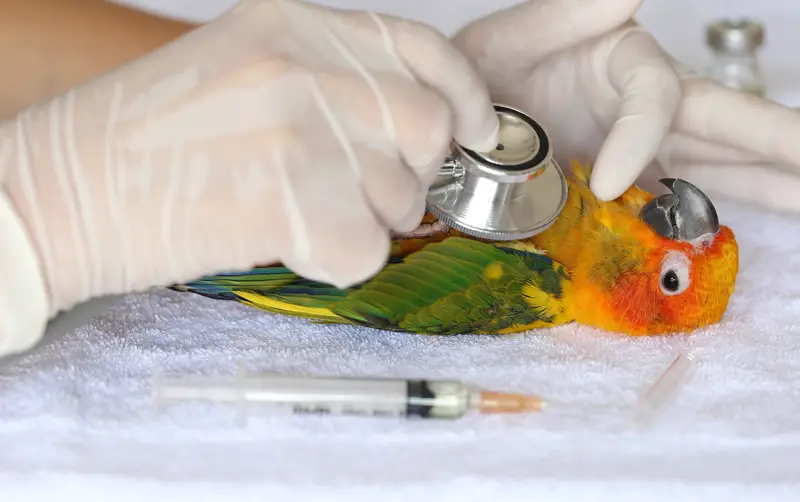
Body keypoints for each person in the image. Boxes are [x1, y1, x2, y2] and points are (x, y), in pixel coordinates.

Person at [1, 0, 798, 357]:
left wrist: (444, 104)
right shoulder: (521, 285)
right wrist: (43, 218)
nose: (674, 227)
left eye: (672, 267)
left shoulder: (548, 266)